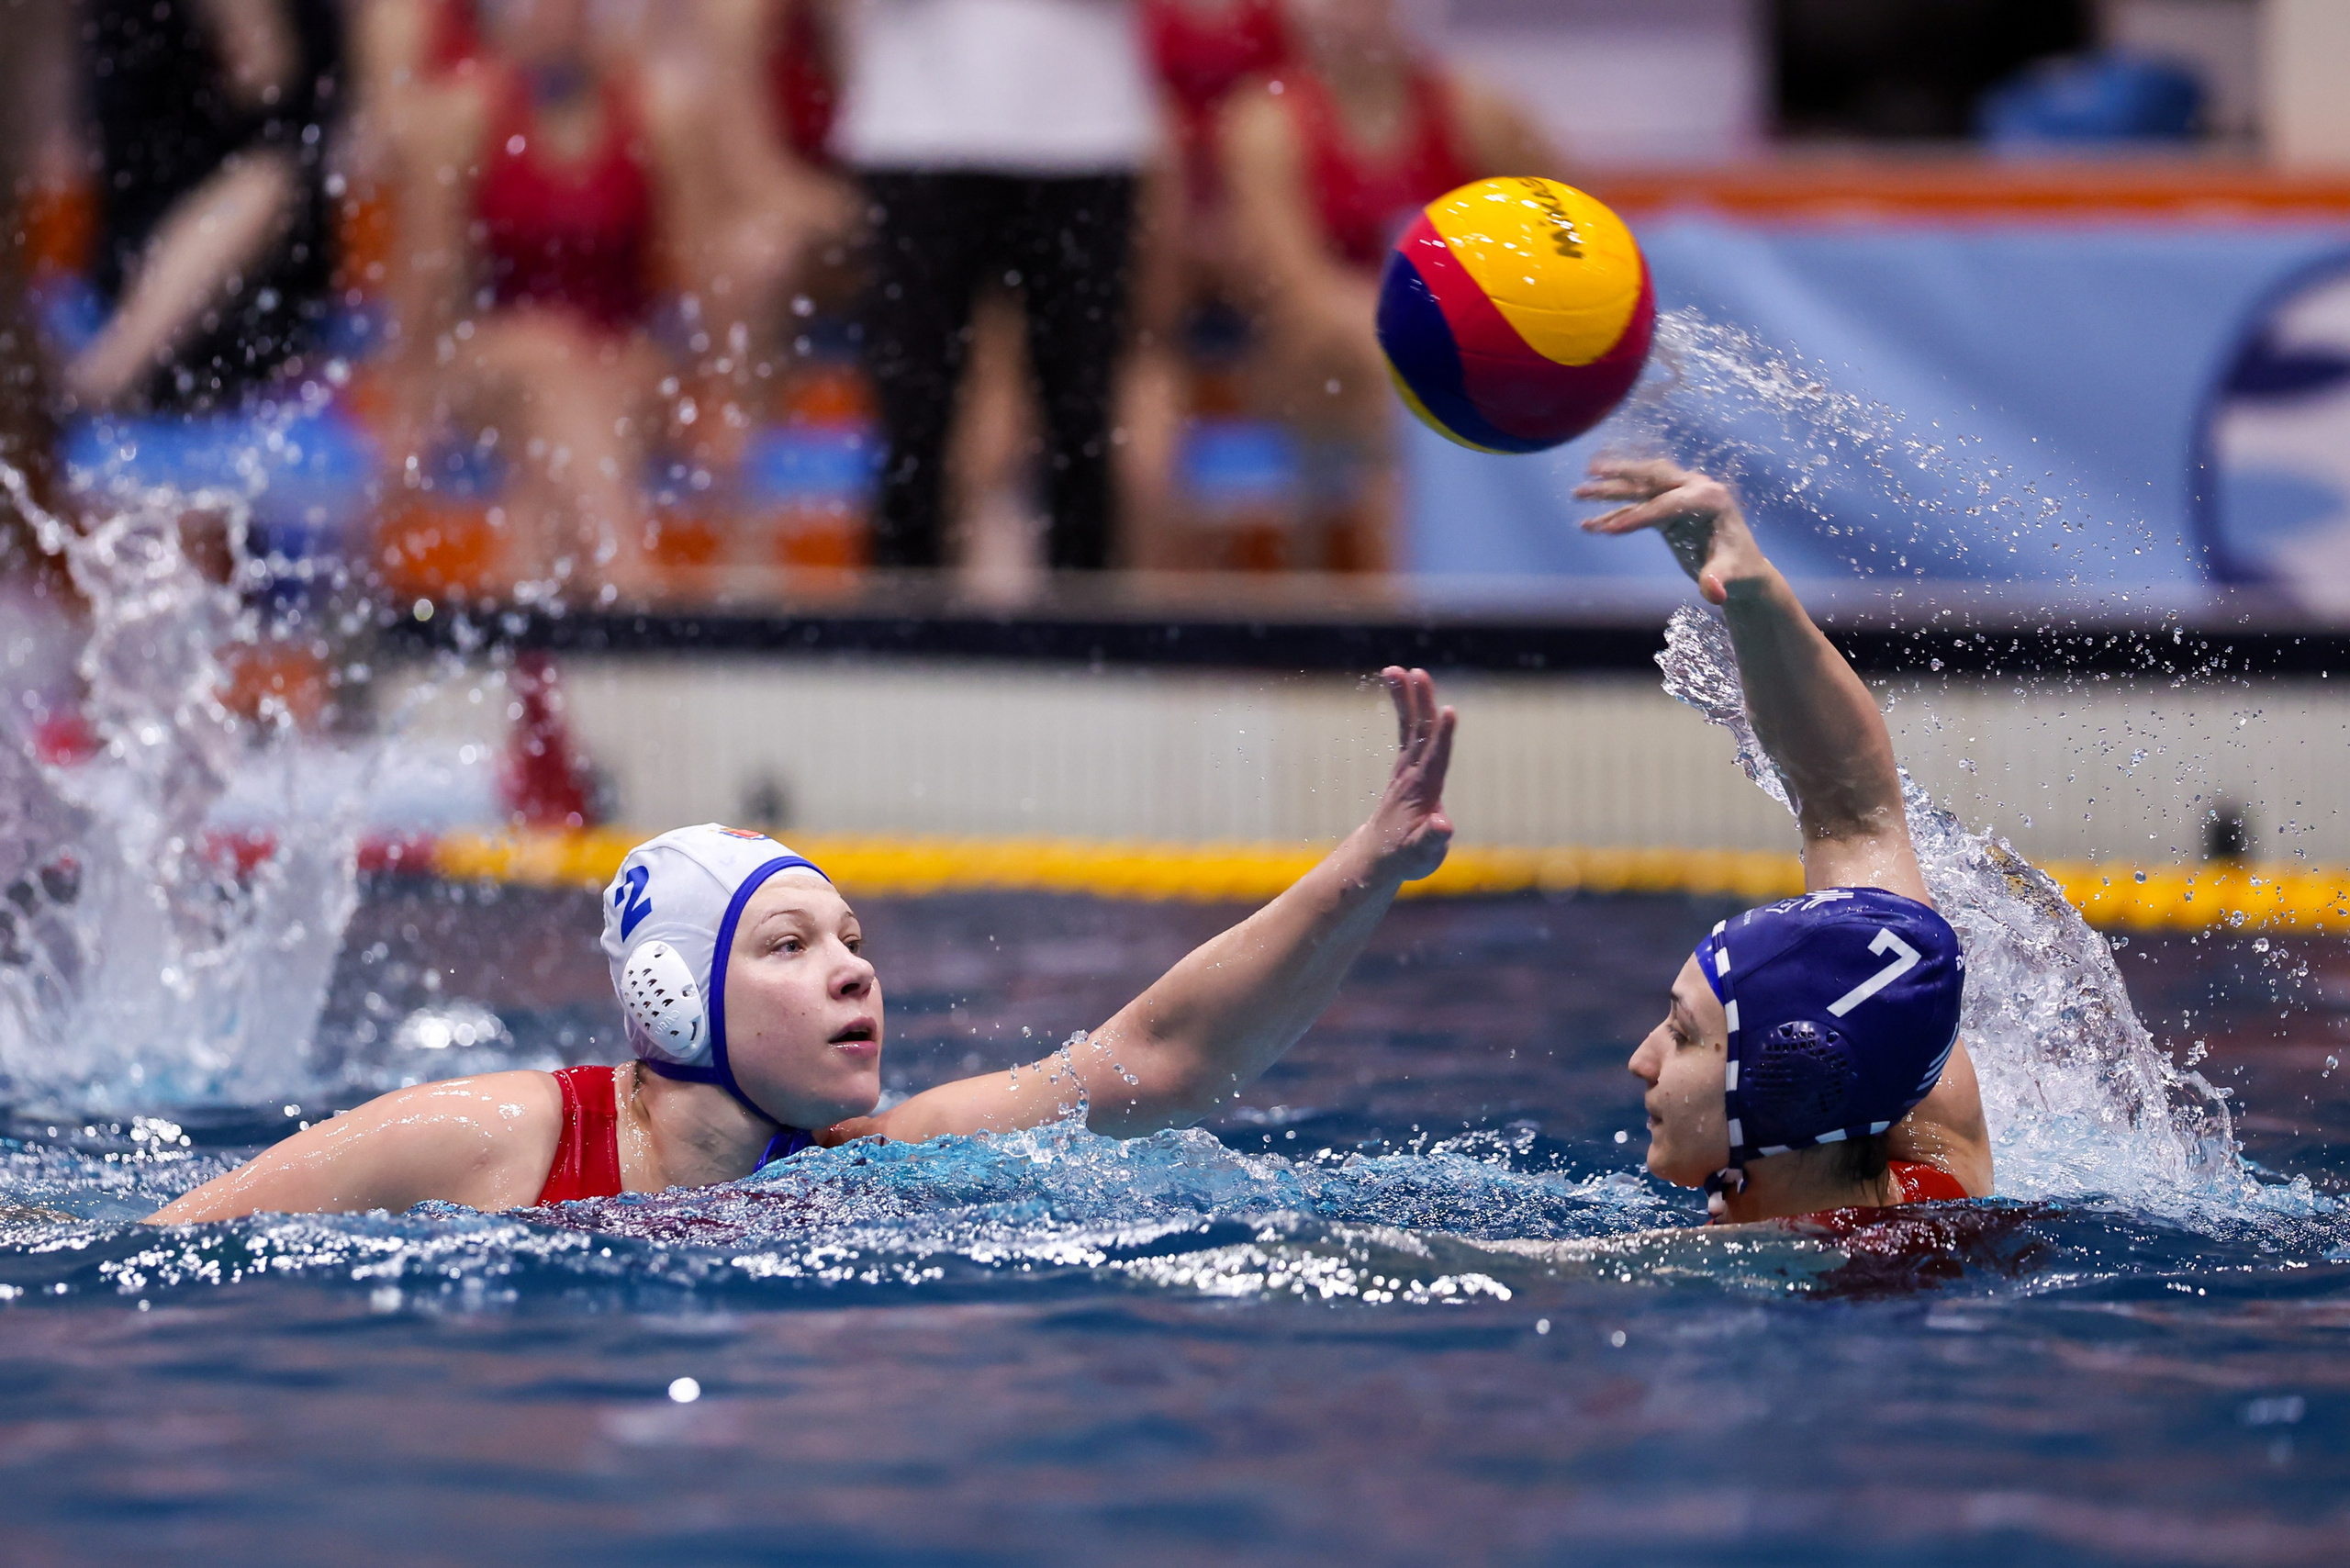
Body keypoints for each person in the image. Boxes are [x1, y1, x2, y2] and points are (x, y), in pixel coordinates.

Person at [146, 666, 1456, 1220]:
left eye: (851, 938)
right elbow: (176, 1240)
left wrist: (1366, 869)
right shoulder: (489, 1139)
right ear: (671, 998)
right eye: (787, 944)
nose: (852, 968)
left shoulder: (869, 1163)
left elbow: (1160, 1062)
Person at [1581, 456, 1994, 1223]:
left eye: (1683, 1034)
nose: (1642, 1060)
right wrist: (1750, 588)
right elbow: (1853, 810)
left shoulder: (1722, 1264)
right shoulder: (1945, 1173)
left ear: (1783, 1079)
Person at [1214, 0, 1555, 570]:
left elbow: (1570, 243)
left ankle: (1514, 574)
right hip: (1318, 358)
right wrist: (1432, 341)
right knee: (1389, 373)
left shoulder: (1478, 111)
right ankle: (1406, 597)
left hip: (1458, 348)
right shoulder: (1265, 125)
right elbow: (1300, 290)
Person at [836, 0, 1157, 572]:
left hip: (1085, 132)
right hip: (919, 131)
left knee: (1081, 412)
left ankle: (1085, 608)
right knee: (912, 409)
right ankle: (898, 606)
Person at [62, 0, 344, 416]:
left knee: (264, 183)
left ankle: (99, 382)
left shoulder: (306, 15)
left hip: (263, 269)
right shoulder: (127, 18)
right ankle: (100, 380)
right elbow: (118, 145)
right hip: (144, 250)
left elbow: (274, 94)